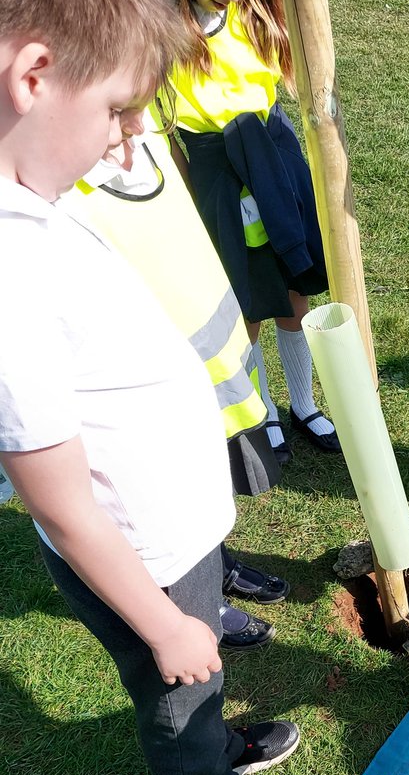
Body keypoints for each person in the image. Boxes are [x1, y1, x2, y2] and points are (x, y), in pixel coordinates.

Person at [0, 0, 318, 775]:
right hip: (140, 557)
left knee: (198, 673)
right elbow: (59, 500)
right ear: (33, 77)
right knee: (177, 686)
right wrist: (161, 620)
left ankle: (213, 745)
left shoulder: (33, 198)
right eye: (115, 110)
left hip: (172, 538)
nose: (126, 137)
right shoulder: (7, 276)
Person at [61, 106, 292, 651]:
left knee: (213, 473)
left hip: (213, 344)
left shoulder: (146, 136)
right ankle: (195, 600)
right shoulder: (66, 181)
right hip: (152, 371)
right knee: (170, 493)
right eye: (121, 108)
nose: (138, 123)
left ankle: (217, 568)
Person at [164, 0, 340, 458]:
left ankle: (303, 405)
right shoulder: (160, 24)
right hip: (217, 170)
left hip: (273, 155)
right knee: (246, 304)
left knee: (292, 290)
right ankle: (260, 411)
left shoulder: (257, 5)